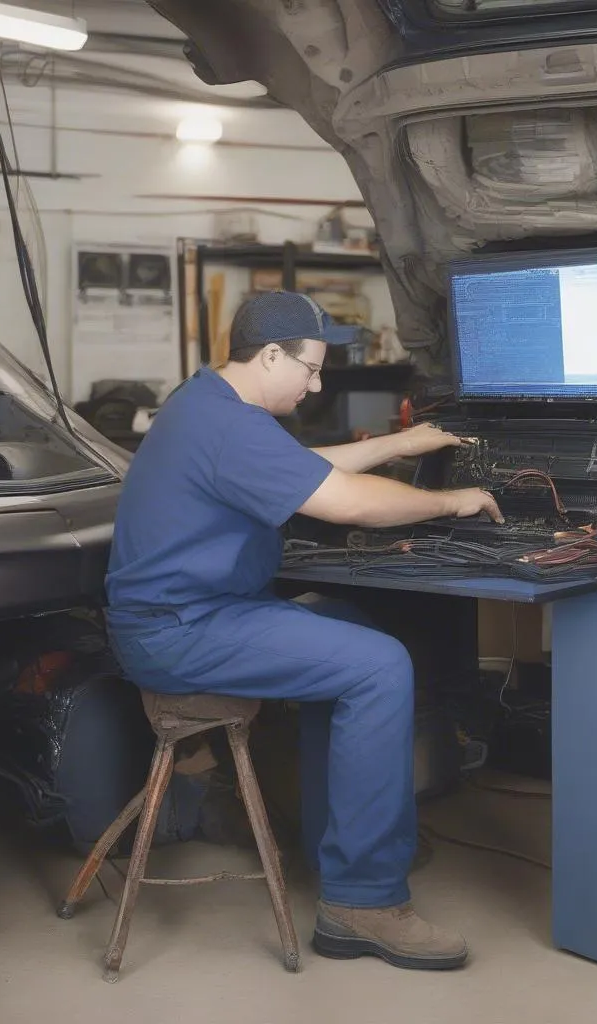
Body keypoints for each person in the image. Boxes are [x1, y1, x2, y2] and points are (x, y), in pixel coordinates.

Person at [104, 290, 503, 970]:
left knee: (350, 626)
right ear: (268, 356)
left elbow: (305, 471)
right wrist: (450, 500)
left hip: (203, 612)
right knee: (378, 666)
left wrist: (402, 442)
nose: (317, 383)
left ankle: (343, 837)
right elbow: (341, 499)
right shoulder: (227, 426)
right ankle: (362, 901)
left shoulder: (211, 403)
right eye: (310, 369)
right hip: (180, 631)